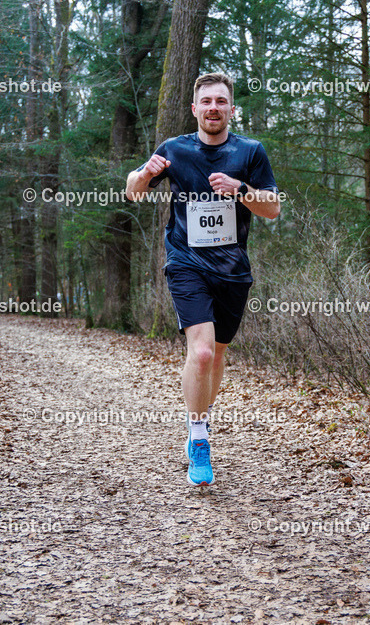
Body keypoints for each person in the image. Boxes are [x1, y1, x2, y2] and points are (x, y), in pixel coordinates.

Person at [125, 72, 281, 485]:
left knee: (219, 352)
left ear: (232, 109)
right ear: (195, 109)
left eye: (221, 101)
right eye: (207, 102)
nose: (214, 108)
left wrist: (240, 188)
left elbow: (272, 208)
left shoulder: (250, 151)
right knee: (203, 353)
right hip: (186, 263)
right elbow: (133, 191)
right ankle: (198, 438)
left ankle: (201, 417)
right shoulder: (174, 149)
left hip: (233, 271)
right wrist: (145, 175)